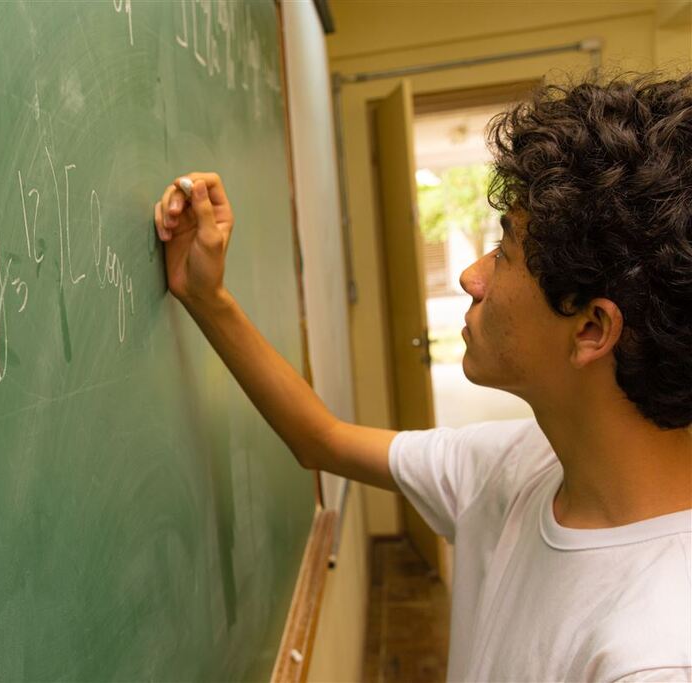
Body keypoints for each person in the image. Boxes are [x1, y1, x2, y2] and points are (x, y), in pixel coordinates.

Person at [153, 73, 691, 682]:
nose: (470, 276)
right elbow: (320, 440)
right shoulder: (522, 467)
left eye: (505, 251)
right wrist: (207, 295)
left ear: (592, 329)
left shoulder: (652, 655)